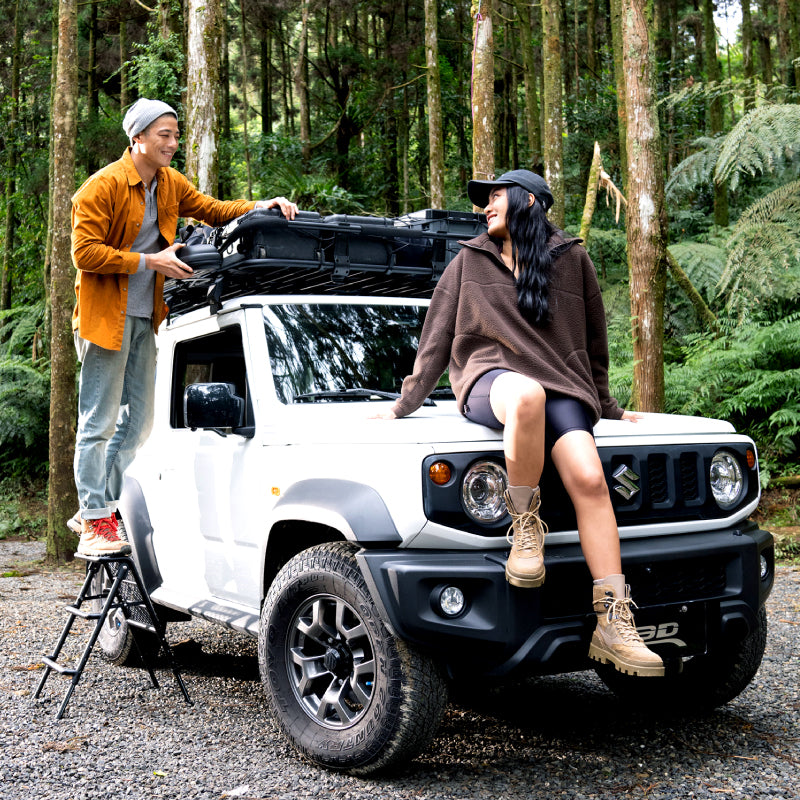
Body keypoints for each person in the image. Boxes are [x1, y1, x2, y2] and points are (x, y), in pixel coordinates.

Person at [374, 170, 663, 678]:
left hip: (563, 387)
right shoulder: (470, 260)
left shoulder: (571, 260)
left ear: (528, 200)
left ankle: (614, 623)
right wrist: (403, 404)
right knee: (526, 395)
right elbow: (437, 339)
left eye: (495, 196)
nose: (486, 206)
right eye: (483, 199)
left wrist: (610, 406)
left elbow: (595, 345)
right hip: (492, 381)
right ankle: (525, 527)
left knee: (591, 480)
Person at [69, 98, 298, 558]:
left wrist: (261, 204)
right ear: (138, 137)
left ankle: (99, 509)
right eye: (164, 135)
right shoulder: (102, 187)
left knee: (141, 423)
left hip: (144, 317)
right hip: (103, 319)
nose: (173, 143)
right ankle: (95, 516)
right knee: (99, 421)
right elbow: (84, 253)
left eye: (176, 135)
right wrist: (149, 260)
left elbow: (213, 209)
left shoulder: (169, 182)